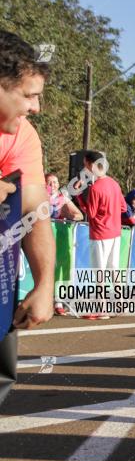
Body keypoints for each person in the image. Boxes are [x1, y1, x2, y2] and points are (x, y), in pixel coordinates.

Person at [0, 30, 55, 329]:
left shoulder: (22, 135)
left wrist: (45, 283)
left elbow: (35, 210)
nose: (36, 107)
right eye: (29, 95)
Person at [73, 150, 126, 319]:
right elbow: (123, 208)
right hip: (115, 231)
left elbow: (91, 213)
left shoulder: (96, 188)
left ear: (90, 165)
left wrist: (80, 195)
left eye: (85, 164)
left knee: (100, 272)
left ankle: (102, 308)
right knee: (113, 269)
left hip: (100, 232)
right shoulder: (114, 184)